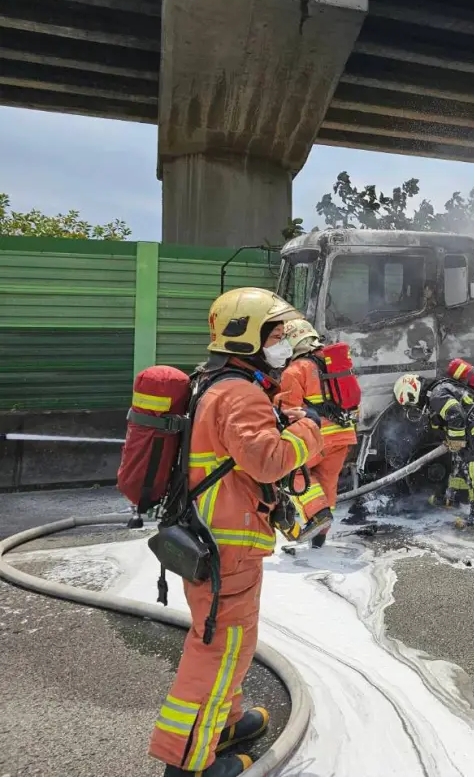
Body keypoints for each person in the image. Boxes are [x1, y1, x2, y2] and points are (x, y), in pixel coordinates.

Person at [149, 288, 323, 777]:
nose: (283, 343)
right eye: (274, 334)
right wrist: (309, 429)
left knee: (232, 641)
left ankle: (223, 723)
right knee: (217, 648)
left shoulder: (215, 382)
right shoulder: (240, 393)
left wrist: (280, 418)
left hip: (214, 537)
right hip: (226, 542)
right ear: (246, 337)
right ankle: (188, 761)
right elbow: (267, 461)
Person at [275, 319, 358, 547]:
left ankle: (318, 515)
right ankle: (320, 536)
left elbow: (288, 411)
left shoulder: (295, 370)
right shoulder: (333, 363)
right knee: (326, 482)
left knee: (290, 473)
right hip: (343, 435)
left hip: (317, 437)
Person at [394, 370, 474, 525]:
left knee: (473, 471)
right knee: (458, 463)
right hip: (471, 429)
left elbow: (455, 414)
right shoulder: (436, 392)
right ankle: (452, 499)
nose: (415, 408)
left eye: (411, 405)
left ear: (412, 394)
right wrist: (452, 438)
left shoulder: (437, 395)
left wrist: (456, 439)